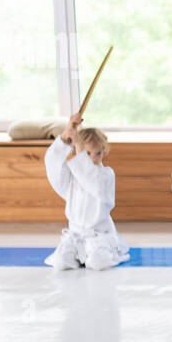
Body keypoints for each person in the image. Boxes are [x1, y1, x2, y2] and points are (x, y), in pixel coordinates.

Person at [43, 111, 129, 271]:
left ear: (104, 151)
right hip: (76, 234)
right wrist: (65, 136)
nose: (92, 158)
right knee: (61, 262)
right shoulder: (74, 173)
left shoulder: (106, 175)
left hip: (99, 235)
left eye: (98, 153)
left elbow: (93, 183)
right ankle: (78, 254)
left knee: (97, 263)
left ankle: (98, 252)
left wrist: (79, 148)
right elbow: (52, 164)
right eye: (87, 153)